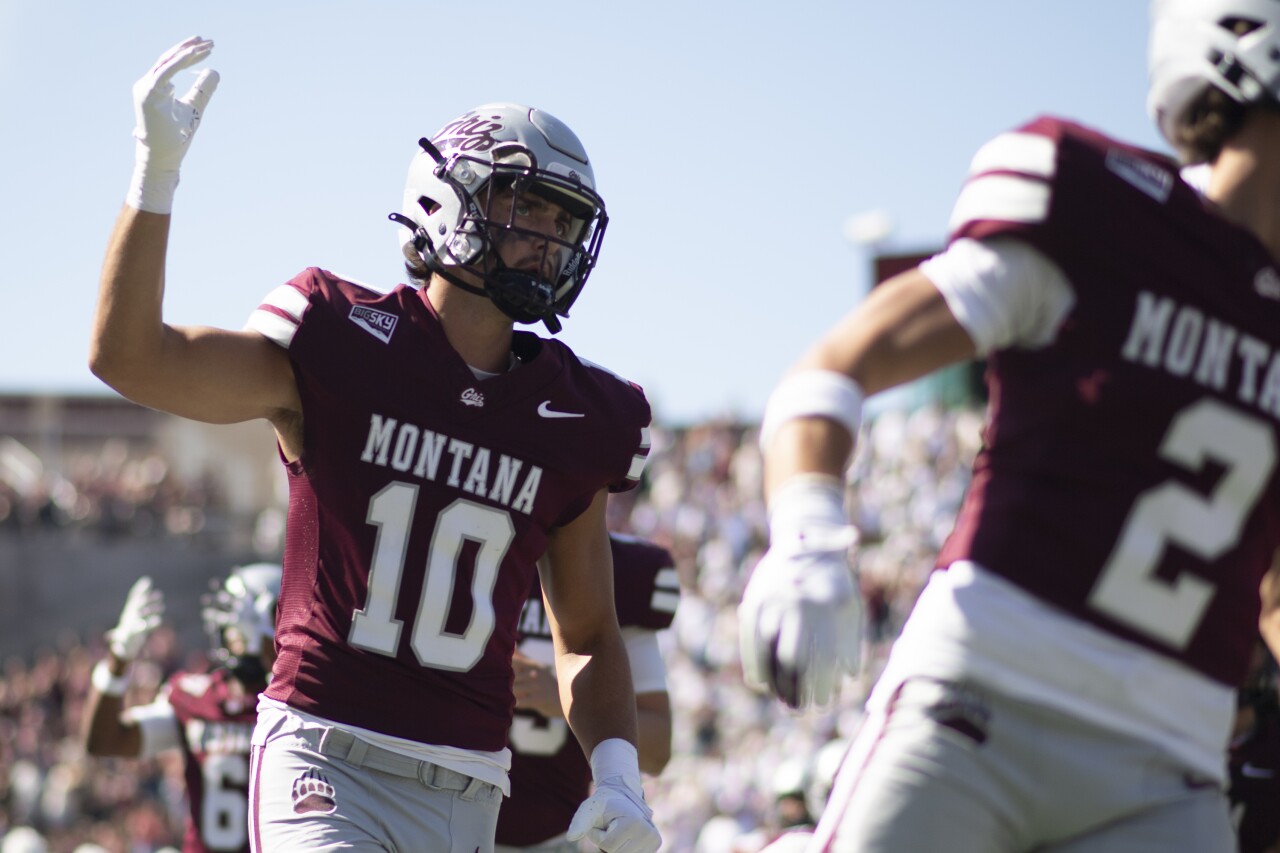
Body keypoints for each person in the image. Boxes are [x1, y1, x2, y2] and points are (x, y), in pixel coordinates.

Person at [90, 37, 659, 853]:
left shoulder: (575, 415)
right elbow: (130, 357)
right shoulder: (342, 340)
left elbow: (591, 635)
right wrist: (156, 176)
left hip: (470, 782)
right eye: (527, 207)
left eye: (564, 221)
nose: (548, 238)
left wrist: (617, 775)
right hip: (325, 756)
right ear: (448, 199)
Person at [738, 1, 1280, 850]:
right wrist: (805, 533)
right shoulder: (1103, 214)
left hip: (1171, 763)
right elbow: (839, 364)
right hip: (980, 702)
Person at [495, 532, 678, 852]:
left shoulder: (624, 569)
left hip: (552, 837)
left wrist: (570, 699)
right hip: (443, 815)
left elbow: (657, 747)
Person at [83, 565, 282, 853]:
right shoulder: (196, 698)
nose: (232, 634)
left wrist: (271, 653)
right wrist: (119, 657)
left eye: (240, 623)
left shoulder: (292, 706)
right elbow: (104, 740)